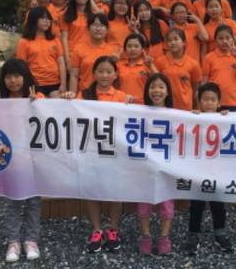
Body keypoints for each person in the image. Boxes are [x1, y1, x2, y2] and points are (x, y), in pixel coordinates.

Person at [0, 58, 43, 262]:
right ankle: (13, 242)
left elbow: (51, 117)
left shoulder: (37, 98)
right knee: (13, 201)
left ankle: (31, 240)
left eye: (17, 76)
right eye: (8, 77)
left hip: (34, 160)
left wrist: (37, 105)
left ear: (25, 78)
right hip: (11, 161)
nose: (13, 81)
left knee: (34, 201)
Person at [75, 56, 132, 253]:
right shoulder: (84, 95)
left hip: (115, 152)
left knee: (115, 192)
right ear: (94, 74)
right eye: (100, 71)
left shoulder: (123, 97)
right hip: (91, 151)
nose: (104, 75)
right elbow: (72, 115)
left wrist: (130, 106)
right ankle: (97, 229)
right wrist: (67, 100)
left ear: (116, 75)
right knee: (92, 190)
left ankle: (113, 229)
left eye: (109, 71)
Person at [184, 82, 232, 255]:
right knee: (196, 206)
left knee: (218, 205)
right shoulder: (194, 118)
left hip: (217, 171)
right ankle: (193, 235)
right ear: (199, 102)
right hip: (198, 170)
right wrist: (192, 117)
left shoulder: (224, 119)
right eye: (205, 99)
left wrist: (227, 117)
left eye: (213, 99)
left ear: (219, 103)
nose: (209, 103)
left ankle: (220, 233)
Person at [137, 73, 176, 255]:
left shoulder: (176, 115)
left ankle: (164, 237)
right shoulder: (139, 112)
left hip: (166, 167)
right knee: (144, 202)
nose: (156, 90)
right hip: (145, 166)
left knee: (166, 203)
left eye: (161, 87)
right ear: (147, 91)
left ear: (168, 92)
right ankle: (145, 236)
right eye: (153, 87)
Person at [15, 6, 67, 96]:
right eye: (43, 18)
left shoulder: (55, 40)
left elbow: (61, 63)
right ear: (34, 20)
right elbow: (21, 67)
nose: (47, 21)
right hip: (35, 84)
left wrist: (63, 84)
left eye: (48, 19)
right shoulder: (24, 42)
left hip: (55, 83)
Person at [202, 25, 236, 111]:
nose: (224, 41)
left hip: (232, 103)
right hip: (214, 104)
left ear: (232, 39)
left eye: (228, 38)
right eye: (220, 38)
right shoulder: (209, 58)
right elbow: (204, 81)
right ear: (215, 40)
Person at [69, 13, 122, 93]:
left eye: (101, 26)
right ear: (88, 28)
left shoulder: (113, 51)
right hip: (86, 93)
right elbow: (74, 76)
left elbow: (116, 77)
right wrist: (72, 94)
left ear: (107, 30)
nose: (98, 29)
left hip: (107, 95)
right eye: (95, 25)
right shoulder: (78, 49)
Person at [155, 28, 202, 111]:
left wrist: (196, 107)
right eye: (169, 40)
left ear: (184, 42)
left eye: (175, 39)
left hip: (185, 108)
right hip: (165, 107)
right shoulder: (159, 62)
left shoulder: (193, 64)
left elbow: (195, 88)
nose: (172, 43)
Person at [59, 0, 95, 69]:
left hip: (89, 55)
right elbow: (64, 38)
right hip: (72, 55)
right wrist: (67, 60)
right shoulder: (65, 15)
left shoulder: (93, 16)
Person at [116, 33, 157, 104]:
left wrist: (151, 66)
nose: (132, 49)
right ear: (125, 49)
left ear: (142, 49)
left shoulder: (147, 65)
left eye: (136, 46)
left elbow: (158, 79)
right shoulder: (119, 65)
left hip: (143, 104)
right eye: (129, 46)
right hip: (123, 103)